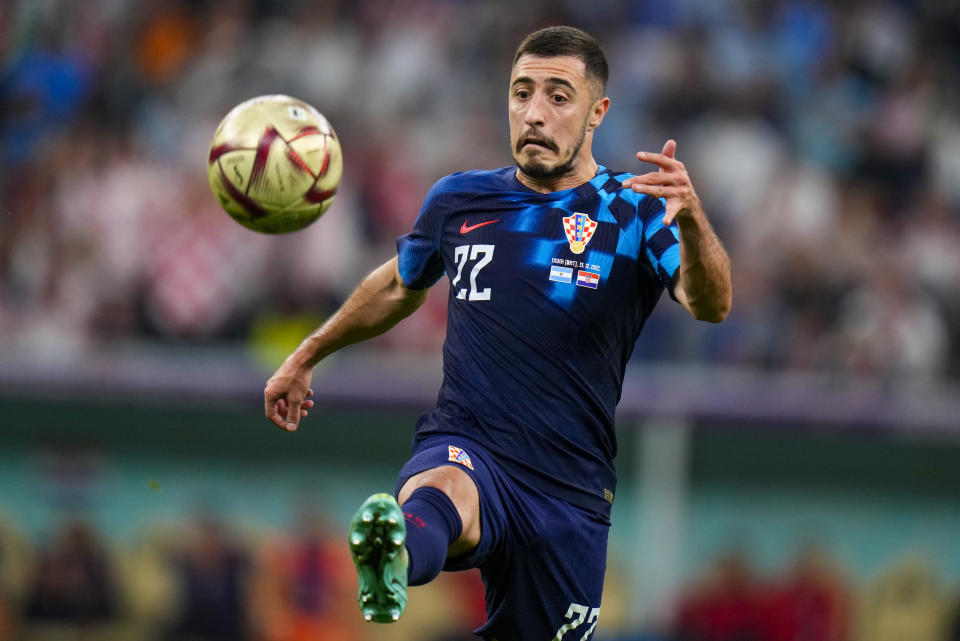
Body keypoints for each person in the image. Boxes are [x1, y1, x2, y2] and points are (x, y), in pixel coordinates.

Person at [264, 25, 731, 641]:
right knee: (444, 486)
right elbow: (400, 284)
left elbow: (709, 302)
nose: (534, 113)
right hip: (471, 443)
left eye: (558, 96)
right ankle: (397, 553)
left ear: (598, 113)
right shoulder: (460, 200)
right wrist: (307, 354)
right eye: (521, 93)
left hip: (570, 491)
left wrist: (694, 222)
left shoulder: (635, 208)